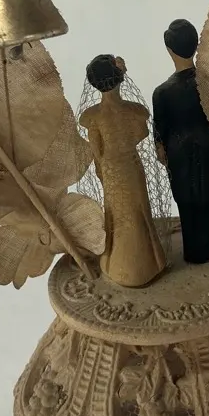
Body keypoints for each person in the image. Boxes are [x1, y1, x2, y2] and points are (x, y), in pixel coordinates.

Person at [79, 55, 166, 288]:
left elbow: (96, 150)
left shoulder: (92, 117)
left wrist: (102, 171)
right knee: (138, 211)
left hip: (111, 171)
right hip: (131, 166)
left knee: (117, 216)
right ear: (121, 77)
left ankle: (118, 264)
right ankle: (150, 263)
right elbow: (141, 133)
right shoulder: (135, 111)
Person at [152, 20, 209, 264]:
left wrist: (162, 153)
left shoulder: (162, 92)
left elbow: (159, 134)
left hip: (178, 152)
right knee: (207, 199)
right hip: (205, 147)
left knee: (186, 201)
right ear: (196, 45)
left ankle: (192, 252)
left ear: (169, 49)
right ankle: (205, 250)